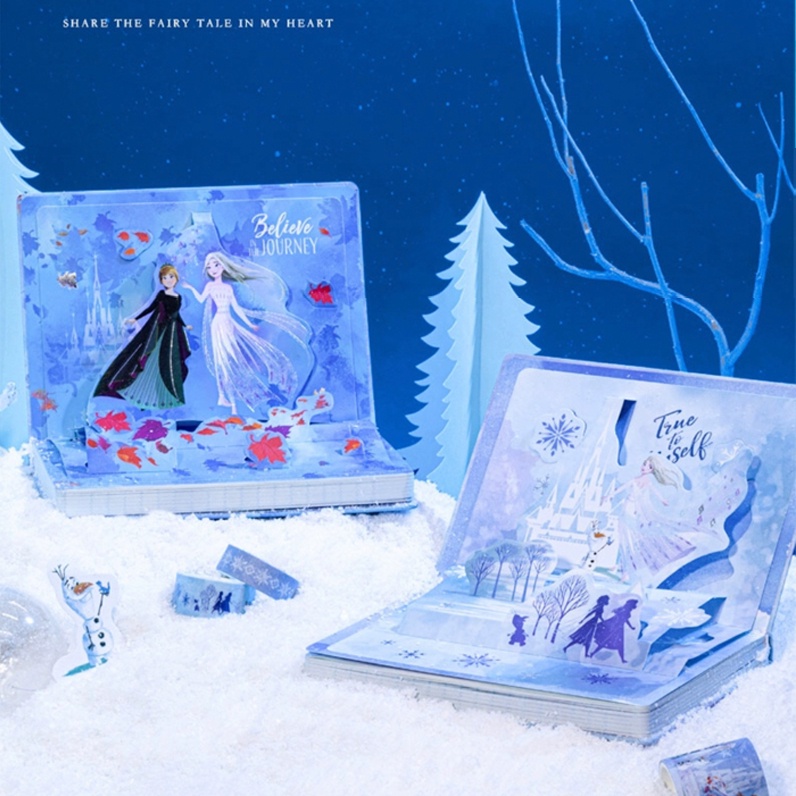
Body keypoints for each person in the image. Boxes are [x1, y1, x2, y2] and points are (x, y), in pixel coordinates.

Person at [182, 251, 313, 414]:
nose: (213, 269)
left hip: (229, 322)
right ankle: (225, 398)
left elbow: (236, 308)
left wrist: (250, 324)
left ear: (223, 266)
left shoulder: (228, 288)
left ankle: (228, 398)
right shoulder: (210, 287)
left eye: (216, 265)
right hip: (218, 324)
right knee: (222, 359)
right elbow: (201, 299)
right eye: (209, 267)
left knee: (232, 358)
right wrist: (190, 288)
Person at [94, 264, 190, 409]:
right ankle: (141, 394)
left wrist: (184, 325)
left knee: (169, 362)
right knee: (148, 358)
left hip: (172, 333)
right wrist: (136, 318)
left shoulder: (178, 297)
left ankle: (163, 394)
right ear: (161, 281)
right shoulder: (161, 295)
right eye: (164, 278)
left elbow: (177, 315)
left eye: (171, 277)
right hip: (158, 329)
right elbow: (151, 308)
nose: (168, 280)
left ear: (176, 278)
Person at [607, 455, 695, 586]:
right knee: (624, 539)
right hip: (628, 511)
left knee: (627, 540)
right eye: (644, 464)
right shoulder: (636, 480)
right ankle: (620, 566)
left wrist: (663, 500)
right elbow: (622, 488)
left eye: (648, 466)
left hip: (630, 512)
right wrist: (609, 495)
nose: (644, 467)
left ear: (652, 470)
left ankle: (624, 570)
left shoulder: (646, 482)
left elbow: (654, 492)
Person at [589, 598, 638, 663]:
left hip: (619, 628)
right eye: (634, 604)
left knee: (619, 644)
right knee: (606, 641)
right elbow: (617, 618)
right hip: (615, 628)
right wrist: (616, 626)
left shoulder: (627, 611)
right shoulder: (623, 610)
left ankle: (622, 659)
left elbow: (625, 620)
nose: (635, 606)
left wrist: (631, 627)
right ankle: (593, 653)